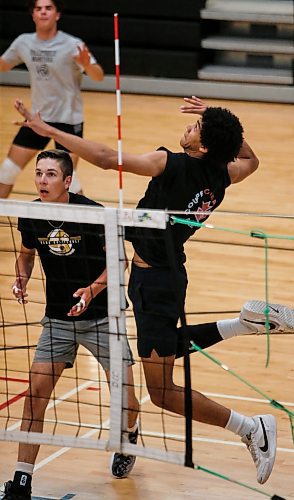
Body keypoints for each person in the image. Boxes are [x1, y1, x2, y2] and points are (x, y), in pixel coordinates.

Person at [14, 96, 290, 485]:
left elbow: (108, 157)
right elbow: (252, 161)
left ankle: (250, 427)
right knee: (164, 356)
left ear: (204, 146)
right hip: (166, 277)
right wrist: (215, 118)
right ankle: (243, 324)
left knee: (162, 392)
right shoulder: (222, 173)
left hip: (155, 282)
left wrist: (50, 132)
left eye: (195, 128)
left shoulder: (171, 163)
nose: (188, 128)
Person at [3, 150, 139, 500]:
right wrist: (22, 277)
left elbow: (119, 261)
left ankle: (129, 433)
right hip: (59, 319)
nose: (42, 181)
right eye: (38, 174)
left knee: (126, 400)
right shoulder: (32, 214)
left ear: (67, 181)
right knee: (35, 396)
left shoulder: (92, 214)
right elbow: (27, 253)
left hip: (103, 317)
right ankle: (22, 479)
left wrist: (92, 291)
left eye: (51, 175)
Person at [0, 0, 104, 198]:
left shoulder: (73, 44)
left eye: (48, 8)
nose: (43, 12)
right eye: (38, 9)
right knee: (7, 171)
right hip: (37, 119)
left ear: (57, 14)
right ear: (33, 15)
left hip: (68, 121)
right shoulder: (24, 42)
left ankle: (86, 227)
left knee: (69, 182)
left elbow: (98, 76)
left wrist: (87, 65)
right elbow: (3, 65)